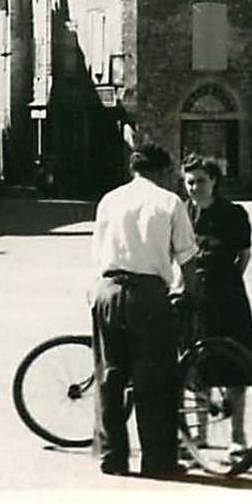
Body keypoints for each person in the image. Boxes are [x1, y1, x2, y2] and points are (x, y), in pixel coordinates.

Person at [91, 144, 198, 479]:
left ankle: (113, 458)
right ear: (163, 171)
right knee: (154, 379)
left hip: (108, 291)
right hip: (148, 296)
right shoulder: (170, 202)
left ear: (133, 169)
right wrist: (191, 296)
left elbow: (99, 252)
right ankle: (158, 460)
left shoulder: (109, 200)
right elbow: (187, 258)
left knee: (110, 377)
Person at [180, 154, 252, 464]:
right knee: (196, 366)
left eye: (200, 181)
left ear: (214, 181)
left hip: (227, 296)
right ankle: (200, 434)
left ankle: (237, 437)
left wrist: (226, 282)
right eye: (189, 182)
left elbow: (244, 254)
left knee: (235, 367)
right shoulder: (182, 213)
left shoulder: (233, 214)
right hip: (193, 296)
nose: (194, 187)